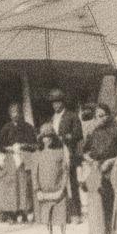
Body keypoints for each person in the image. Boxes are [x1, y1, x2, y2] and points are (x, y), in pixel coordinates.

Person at [80, 103, 117, 234]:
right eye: (98, 115)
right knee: (104, 211)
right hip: (99, 174)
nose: (102, 118)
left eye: (104, 114)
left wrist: (111, 161)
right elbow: (84, 151)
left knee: (116, 209)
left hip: (114, 171)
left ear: (109, 114)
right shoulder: (94, 132)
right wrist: (92, 160)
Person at [31, 123, 68, 234]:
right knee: (47, 224)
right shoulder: (37, 154)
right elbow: (34, 174)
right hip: (44, 195)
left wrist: (62, 189)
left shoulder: (60, 152)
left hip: (58, 194)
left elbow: (65, 172)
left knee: (59, 224)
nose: (47, 139)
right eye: (44, 137)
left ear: (54, 138)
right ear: (41, 139)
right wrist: (38, 190)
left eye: (50, 136)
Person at [0, 102, 37, 223]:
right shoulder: (6, 128)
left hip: (25, 158)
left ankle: (26, 211)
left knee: (24, 186)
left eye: (17, 112)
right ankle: (13, 213)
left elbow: (35, 144)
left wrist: (24, 146)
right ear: (10, 114)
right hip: (11, 160)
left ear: (21, 113)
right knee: (12, 187)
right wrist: (8, 148)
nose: (16, 114)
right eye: (13, 112)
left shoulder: (28, 127)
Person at [47, 88, 83, 220]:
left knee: (72, 183)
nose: (55, 105)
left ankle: (76, 213)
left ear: (63, 102)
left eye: (58, 102)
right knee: (58, 181)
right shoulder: (52, 118)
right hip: (56, 153)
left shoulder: (72, 116)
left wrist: (66, 137)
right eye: (53, 103)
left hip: (69, 151)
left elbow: (78, 134)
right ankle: (63, 213)